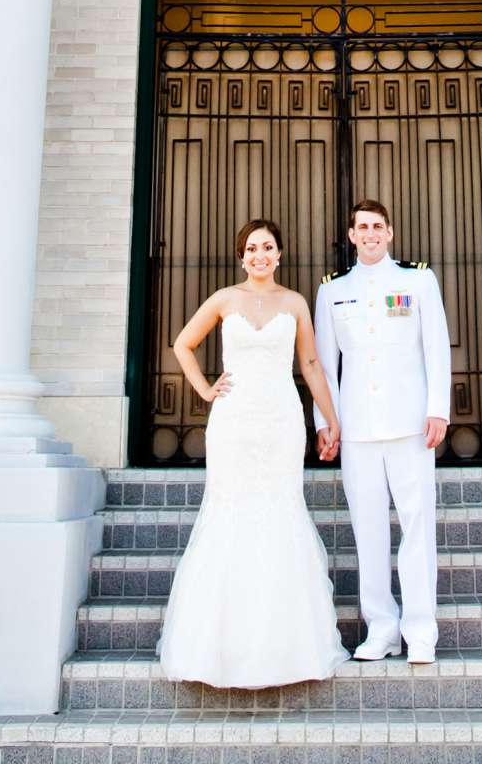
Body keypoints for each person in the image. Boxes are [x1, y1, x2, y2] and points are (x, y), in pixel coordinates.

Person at [157, 217, 348, 688]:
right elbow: (183, 343)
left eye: (267, 247)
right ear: (241, 256)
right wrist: (204, 389)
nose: (259, 255)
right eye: (251, 248)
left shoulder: (296, 303)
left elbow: (310, 363)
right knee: (231, 510)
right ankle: (219, 646)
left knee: (281, 511)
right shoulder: (225, 299)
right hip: (234, 421)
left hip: (281, 421)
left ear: (279, 254)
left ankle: (285, 645)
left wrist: (332, 419)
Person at [314, 197, 451, 666]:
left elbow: (436, 347)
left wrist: (439, 409)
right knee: (367, 532)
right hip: (357, 430)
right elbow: (323, 364)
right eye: (361, 227)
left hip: (412, 425)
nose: (370, 234)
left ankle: (421, 630)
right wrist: (325, 423)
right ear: (351, 236)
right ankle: (381, 628)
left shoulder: (417, 280)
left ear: (389, 233)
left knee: (417, 527)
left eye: (377, 226)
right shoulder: (333, 291)